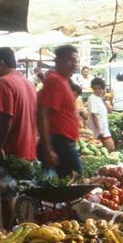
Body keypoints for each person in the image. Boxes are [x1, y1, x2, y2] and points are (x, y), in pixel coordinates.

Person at [0, 47, 38, 228]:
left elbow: (6, 118)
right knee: (22, 197)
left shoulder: (4, 82)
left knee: (5, 197)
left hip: (10, 150)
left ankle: (3, 232)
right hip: (28, 148)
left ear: (1, 62)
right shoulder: (27, 83)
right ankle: (21, 231)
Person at [37, 44, 82, 176]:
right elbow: (42, 114)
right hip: (60, 142)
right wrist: (48, 149)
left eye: (75, 60)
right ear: (57, 61)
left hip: (63, 142)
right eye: (69, 60)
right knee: (75, 182)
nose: (73, 64)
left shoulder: (63, 81)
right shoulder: (55, 81)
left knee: (62, 186)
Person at [87, 77, 115, 151]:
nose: (97, 90)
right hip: (97, 131)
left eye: (99, 88)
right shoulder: (92, 98)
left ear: (103, 88)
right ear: (92, 88)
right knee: (110, 148)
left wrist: (104, 99)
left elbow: (110, 110)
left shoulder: (100, 98)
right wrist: (99, 131)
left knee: (110, 149)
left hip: (104, 129)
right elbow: (94, 115)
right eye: (95, 88)